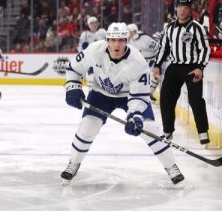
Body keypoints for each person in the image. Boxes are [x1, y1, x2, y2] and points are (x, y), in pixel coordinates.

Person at [61, 22, 184, 185]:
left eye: (121, 40)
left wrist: (135, 116)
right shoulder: (94, 50)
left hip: (130, 97)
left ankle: (171, 167)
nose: (116, 44)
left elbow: (139, 96)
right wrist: (73, 87)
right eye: (112, 40)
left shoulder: (138, 62)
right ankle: (73, 164)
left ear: (127, 41)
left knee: (149, 129)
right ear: (107, 40)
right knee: (87, 126)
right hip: (100, 94)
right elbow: (74, 68)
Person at [153, 0, 211, 144]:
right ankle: (168, 131)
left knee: (195, 100)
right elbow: (163, 48)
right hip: (174, 67)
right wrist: (157, 65)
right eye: (179, 8)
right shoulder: (170, 28)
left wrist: (200, 67)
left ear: (190, 10)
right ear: (176, 9)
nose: (182, 11)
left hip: (192, 68)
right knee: (166, 99)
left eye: (185, 8)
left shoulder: (196, 27)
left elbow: (205, 49)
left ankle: (203, 132)